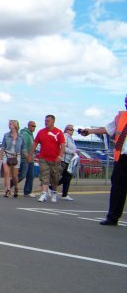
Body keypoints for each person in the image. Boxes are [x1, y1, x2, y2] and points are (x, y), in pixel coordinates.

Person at [80, 95, 127, 225]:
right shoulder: (120, 117)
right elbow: (107, 129)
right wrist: (90, 131)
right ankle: (112, 218)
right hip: (122, 158)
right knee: (117, 189)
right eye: (126, 101)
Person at [29, 115, 65, 203]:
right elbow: (35, 143)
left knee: (54, 178)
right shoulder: (41, 132)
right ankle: (44, 193)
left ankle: (54, 193)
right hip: (43, 158)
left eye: (48, 121)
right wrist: (30, 154)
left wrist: (60, 156)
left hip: (55, 159)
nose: (46, 122)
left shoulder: (58, 132)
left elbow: (63, 145)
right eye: (45, 121)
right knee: (44, 176)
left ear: (53, 122)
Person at [0, 119, 24, 198]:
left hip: (16, 156)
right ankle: (8, 190)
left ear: (15, 125)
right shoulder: (6, 135)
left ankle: (16, 188)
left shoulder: (20, 136)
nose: (9, 125)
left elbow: (23, 148)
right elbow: (3, 146)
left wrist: (28, 156)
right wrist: (0, 157)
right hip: (7, 155)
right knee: (6, 172)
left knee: (14, 176)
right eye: (9, 124)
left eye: (11, 124)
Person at [56, 125, 77, 201]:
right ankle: (52, 187)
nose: (71, 131)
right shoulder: (65, 136)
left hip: (70, 160)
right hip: (64, 160)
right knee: (65, 177)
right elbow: (63, 148)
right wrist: (72, 152)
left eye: (72, 130)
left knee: (68, 177)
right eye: (70, 129)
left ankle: (65, 194)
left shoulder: (71, 139)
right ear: (66, 129)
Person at [18, 120, 37, 197]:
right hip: (25, 159)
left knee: (31, 175)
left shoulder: (31, 134)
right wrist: (27, 156)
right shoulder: (25, 134)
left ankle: (27, 191)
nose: (34, 128)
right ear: (29, 126)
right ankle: (10, 184)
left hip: (31, 159)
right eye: (33, 126)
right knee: (22, 175)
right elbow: (23, 146)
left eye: (35, 126)